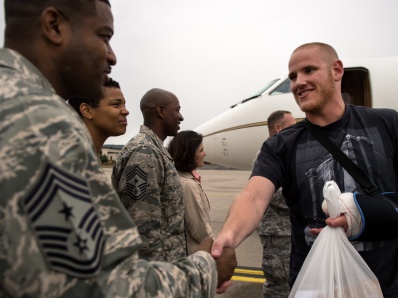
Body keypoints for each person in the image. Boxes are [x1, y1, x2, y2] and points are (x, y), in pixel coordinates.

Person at [0, 1, 235, 296]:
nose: (112, 55)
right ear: (54, 26)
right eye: (103, 36)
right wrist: (208, 269)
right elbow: (100, 285)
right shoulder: (38, 119)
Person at [211, 42, 398, 298]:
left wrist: (364, 215)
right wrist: (229, 237)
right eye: (293, 77)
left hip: (393, 287)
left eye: (309, 70)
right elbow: (253, 196)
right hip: (316, 287)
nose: (299, 82)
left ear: (337, 70)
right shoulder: (280, 145)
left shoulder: (387, 124)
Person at [112, 88, 187, 262]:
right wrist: (157, 279)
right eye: (177, 110)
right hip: (158, 270)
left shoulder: (155, 150)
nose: (181, 117)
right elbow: (143, 227)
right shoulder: (145, 152)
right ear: (160, 111)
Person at [254, 110, 296, 298]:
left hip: (288, 230)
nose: (297, 128)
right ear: (278, 128)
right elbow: (273, 194)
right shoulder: (267, 153)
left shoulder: (285, 150)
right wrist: (304, 198)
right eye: (292, 125)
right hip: (277, 232)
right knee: (279, 283)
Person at [168, 130, 215, 255]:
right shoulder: (188, 185)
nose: (204, 154)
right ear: (189, 154)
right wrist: (216, 249)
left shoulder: (184, 178)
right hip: (196, 254)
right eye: (200, 150)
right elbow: (200, 230)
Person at [67, 78, 129, 155]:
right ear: (87, 111)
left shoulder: (87, 155)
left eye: (124, 105)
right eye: (116, 104)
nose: (126, 111)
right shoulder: (70, 158)